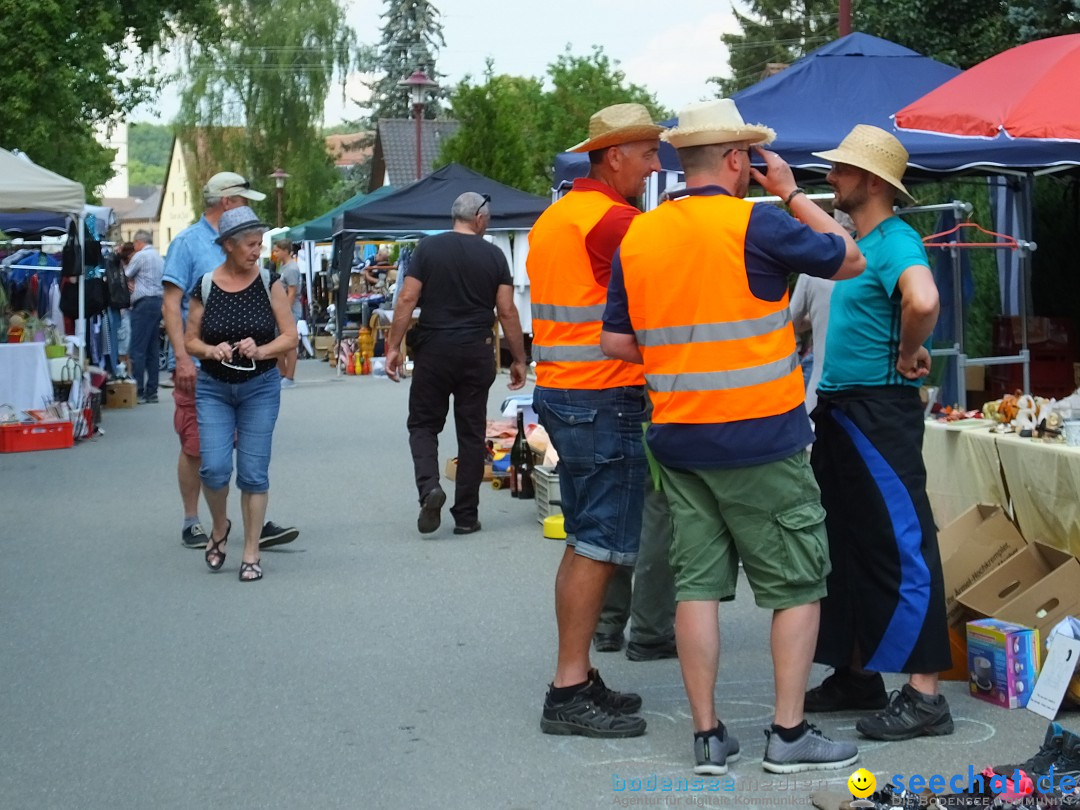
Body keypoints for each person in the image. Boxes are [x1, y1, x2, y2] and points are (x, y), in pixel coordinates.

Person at [600, 99, 866, 774]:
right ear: (737, 160)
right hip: (762, 441)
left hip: (680, 440)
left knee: (697, 587)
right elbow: (849, 259)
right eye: (751, 158)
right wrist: (791, 192)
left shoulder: (642, 236)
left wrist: (679, 357)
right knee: (798, 584)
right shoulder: (758, 221)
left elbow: (615, 339)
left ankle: (708, 736)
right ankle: (788, 733)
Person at [803, 125, 953, 741]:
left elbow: (923, 300)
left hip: (875, 412)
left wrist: (910, 352)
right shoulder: (860, 239)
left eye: (840, 170)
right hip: (842, 411)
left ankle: (925, 695)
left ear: (869, 181)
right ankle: (857, 671)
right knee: (844, 544)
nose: (831, 177)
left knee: (899, 543)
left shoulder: (896, 239)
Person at [527, 103, 666, 740]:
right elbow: (647, 307)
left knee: (586, 539)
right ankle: (567, 687)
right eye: (647, 153)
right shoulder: (616, 221)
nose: (655, 164)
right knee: (597, 546)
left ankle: (577, 677)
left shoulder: (557, 217)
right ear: (613, 156)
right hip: (604, 395)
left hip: (563, 391)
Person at [162, 171, 299, 551]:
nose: (248, 208)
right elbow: (172, 306)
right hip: (204, 368)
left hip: (255, 377)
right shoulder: (189, 244)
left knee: (250, 456)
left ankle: (254, 525)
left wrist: (267, 350)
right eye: (243, 201)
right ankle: (195, 520)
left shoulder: (259, 264)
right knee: (199, 447)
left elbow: (285, 327)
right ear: (227, 202)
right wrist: (184, 357)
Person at [385, 192, 528, 536]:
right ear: (478, 218)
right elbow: (506, 310)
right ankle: (466, 516)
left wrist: (393, 346)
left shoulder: (427, 250)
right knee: (471, 432)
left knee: (423, 425)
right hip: (476, 350)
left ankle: (429, 488)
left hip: (434, 348)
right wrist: (520, 358)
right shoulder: (494, 256)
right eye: (488, 217)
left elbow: (407, 297)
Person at [124, 229, 164, 403]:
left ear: (139, 243)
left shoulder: (141, 256)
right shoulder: (159, 258)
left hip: (143, 303)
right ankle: (152, 391)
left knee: (138, 349)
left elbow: (125, 275)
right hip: (157, 302)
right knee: (153, 349)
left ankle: (139, 390)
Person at [789, 274, 835, 415]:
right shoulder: (878, 266)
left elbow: (790, 323)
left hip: (821, 383)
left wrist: (816, 317)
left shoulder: (811, 274)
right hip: (870, 388)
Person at [272, 238, 302, 388]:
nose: (275, 253)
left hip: (290, 310)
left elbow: (292, 293)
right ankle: (282, 374)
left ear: (285, 251)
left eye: (277, 250)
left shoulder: (291, 269)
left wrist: (285, 313)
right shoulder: (282, 267)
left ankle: (289, 376)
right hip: (280, 309)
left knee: (289, 344)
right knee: (278, 342)